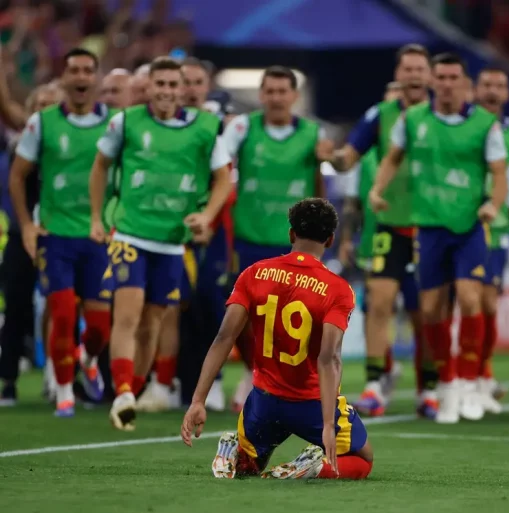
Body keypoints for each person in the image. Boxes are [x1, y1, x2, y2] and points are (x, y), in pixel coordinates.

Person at [181, 198, 373, 481]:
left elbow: (224, 337)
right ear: (330, 239)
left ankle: (234, 450)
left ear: (291, 234)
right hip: (311, 403)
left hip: (264, 401)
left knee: (250, 466)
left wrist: (198, 400)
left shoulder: (254, 273)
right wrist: (329, 425)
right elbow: (329, 358)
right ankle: (315, 467)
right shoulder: (338, 290)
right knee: (362, 458)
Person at [89, 56, 233, 431]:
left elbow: (224, 179)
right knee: (127, 313)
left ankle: (129, 395)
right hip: (130, 232)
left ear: (183, 88)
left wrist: (206, 216)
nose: (167, 91)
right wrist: (95, 217)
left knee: (152, 322)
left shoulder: (205, 127)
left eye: (174, 85)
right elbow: (100, 166)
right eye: (161, 84)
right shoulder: (125, 122)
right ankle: (122, 391)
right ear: (149, 87)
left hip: (172, 241)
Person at [369, 52, 508, 424]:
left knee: (469, 297)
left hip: (469, 227)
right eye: (441, 77)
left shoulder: (485, 124)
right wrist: (377, 189)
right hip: (428, 227)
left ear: (465, 84)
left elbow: (499, 172)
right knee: (431, 309)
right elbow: (392, 157)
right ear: (432, 81)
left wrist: (493, 205)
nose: (446, 84)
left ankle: (467, 382)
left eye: (453, 77)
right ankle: (445, 386)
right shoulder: (412, 120)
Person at [8, 48, 114, 417]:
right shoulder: (42, 123)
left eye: (88, 70)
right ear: (65, 78)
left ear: (96, 78)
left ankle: (88, 358)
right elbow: (17, 176)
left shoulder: (116, 123)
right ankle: (66, 391)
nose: (82, 77)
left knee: (100, 327)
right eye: (74, 71)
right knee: (64, 314)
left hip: (99, 236)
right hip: (56, 235)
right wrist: (26, 224)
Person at [334, 44, 437, 419]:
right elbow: (350, 155)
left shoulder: (440, 116)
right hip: (389, 225)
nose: (413, 74)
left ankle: (429, 388)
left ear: (429, 75)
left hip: (431, 227)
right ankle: (376, 385)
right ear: (399, 72)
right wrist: (334, 157)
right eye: (406, 67)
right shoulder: (381, 115)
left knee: (426, 312)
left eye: (419, 68)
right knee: (379, 303)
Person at [219, 65, 332, 408]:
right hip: (248, 235)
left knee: (295, 318)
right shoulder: (242, 127)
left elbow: (320, 186)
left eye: (283, 91)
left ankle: (288, 384)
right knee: (243, 316)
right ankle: (250, 376)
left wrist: (324, 231)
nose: (276, 97)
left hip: (294, 240)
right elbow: (219, 163)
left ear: (294, 97)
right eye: (270, 91)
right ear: (261, 94)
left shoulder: (314, 134)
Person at [0, 82, 63, 406]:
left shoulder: (72, 147)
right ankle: (8, 380)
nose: (44, 111)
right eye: (39, 105)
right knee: (16, 305)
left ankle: (61, 377)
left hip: (62, 232)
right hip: (22, 233)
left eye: (51, 106)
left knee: (64, 306)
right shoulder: (20, 146)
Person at [473, 67, 509, 409]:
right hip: (461, 225)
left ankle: (482, 374)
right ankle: (457, 377)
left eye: (499, 85)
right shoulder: (467, 127)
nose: (493, 91)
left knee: (486, 304)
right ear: (476, 89)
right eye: (486, 84)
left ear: (508, 93)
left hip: (498, 229)